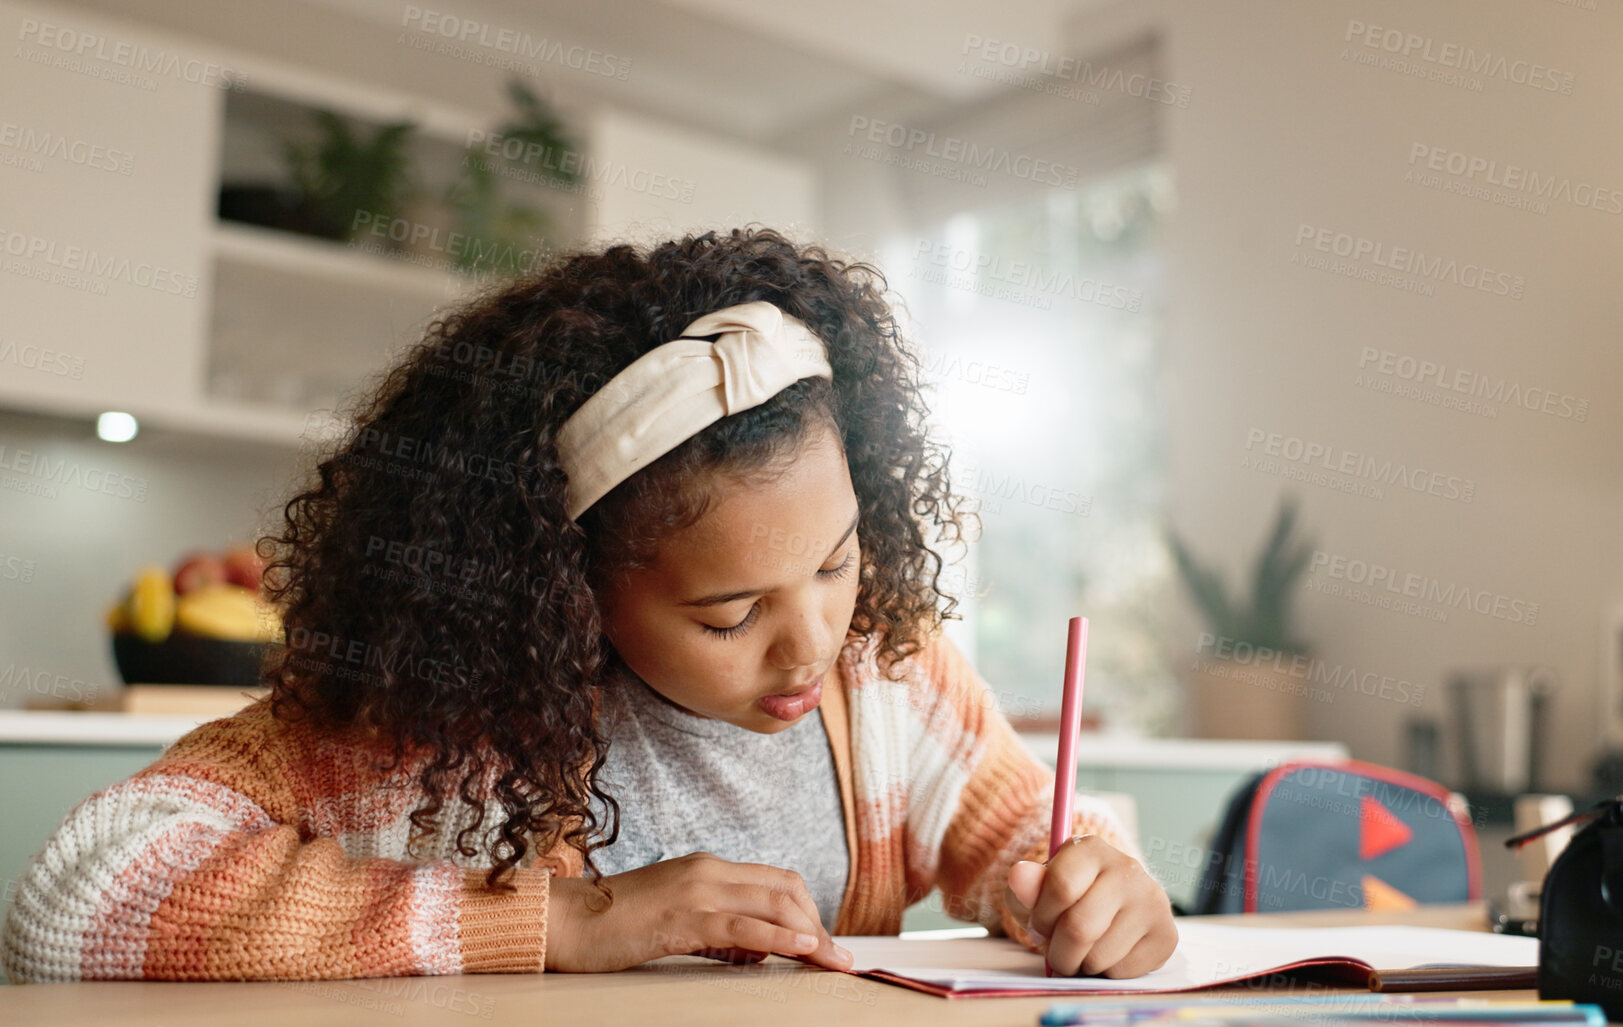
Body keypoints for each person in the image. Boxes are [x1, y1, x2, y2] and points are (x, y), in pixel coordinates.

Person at [1, 228, 1177, 983]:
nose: (813, 641)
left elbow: (1024, 835)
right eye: (728, 614)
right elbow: (69, 899)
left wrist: (1087, 883)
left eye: (835, 560)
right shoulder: (431, 727)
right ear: (569, 589)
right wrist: (557, 923)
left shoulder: (888, 671)